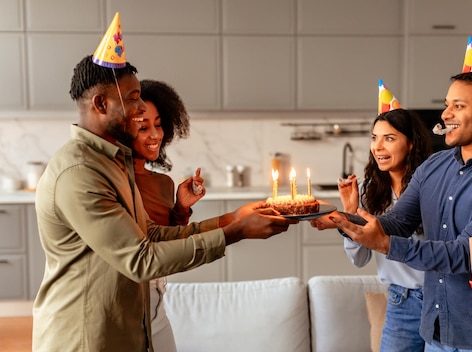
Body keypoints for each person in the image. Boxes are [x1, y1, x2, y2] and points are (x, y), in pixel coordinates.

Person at [32, 54, 297, 352]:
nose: (141, 106)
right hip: (85, 339)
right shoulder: (80, 171)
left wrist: (232, 219)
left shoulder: (112, 162)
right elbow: (141, 259)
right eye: (133, 98)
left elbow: (151, 235)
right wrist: (236, 232)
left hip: (125, 331)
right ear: (101, 104)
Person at [312, 70, 472, 351]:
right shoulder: (433, 166)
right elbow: (398, 221)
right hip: (437, 333)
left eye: (458, 106)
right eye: (447, 105)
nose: (446, 115)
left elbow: (466, 254)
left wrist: (385, 244)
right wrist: (345, 219)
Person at [340, 108, 432, 351]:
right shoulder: (368, 192)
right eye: (374, 138)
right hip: (401, 303)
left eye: (389, 138)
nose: (378, 146)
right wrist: (351, 214)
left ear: (411, 144)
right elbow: (359, 259)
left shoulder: (434, 186)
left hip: (441, 298)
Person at [127, 79, 204, 351]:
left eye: (158, 125)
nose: (155, 135)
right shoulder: (111, 180)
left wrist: (181, 209)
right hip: (124, 303)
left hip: (157, 298)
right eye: (143, 127)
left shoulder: (164, 183)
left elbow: (163, 241)